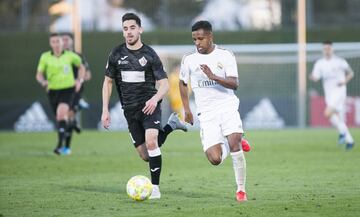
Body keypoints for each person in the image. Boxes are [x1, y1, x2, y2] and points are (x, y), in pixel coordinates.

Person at [101, 13, 187, 199]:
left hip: (150, 106)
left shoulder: (149, 54)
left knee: (151, 141)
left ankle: (155, 188)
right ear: (123, 32)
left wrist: (155, 99)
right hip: (129, 110)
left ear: (140, 29)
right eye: (125, 29)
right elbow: (107, 82)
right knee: (146, 155)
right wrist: (105, 109)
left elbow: (164, 84)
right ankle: (171, 126)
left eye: (132, 28)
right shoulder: (116, 54)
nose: (129, 32)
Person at [179, 20, 249, 202]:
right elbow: (182, 83)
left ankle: (241, 190)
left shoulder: (225, 56)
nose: (197, 43)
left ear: (210, 37)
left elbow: (235, 84)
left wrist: (213, 76)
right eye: (194, 39)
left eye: (200, 39)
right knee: (215, 159)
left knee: (234, 144)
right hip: (206, 113)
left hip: (227, 106)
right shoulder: (189, 59)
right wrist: (187, 109)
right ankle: (237, 140)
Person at [36, 33, 85, 155]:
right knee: (60, 118)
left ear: (62, 43)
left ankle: (59, 145)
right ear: (50, 43)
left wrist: (79, 80)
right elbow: (39, 74)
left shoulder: (70, 56)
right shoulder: (45, 57)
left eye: (58, 41)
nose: (56, 44)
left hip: (68, 90)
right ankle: (72, 123)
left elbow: (81, 67)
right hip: (53, 91)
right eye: (54, 42)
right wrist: (43, 82)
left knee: (61, 113)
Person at [310, 40, 355, 150]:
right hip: (329, 94)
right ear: (322, 50)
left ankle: (343, 134)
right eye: (325, 49)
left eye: (329, 48)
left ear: (332, 49)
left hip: (339, 91)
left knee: (327, 113)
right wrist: (312, 77)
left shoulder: (340, 61)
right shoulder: (319, 63)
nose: (327, 51)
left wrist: (344, 81)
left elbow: (351, 73)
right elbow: (316, 77)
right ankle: (350, 141)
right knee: (336, 118)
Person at [60, 32, 92, 155]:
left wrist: (79, 80)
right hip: (61, 91)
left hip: (75, 92)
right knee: (67, 119)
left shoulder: (78, 56)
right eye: (62, 40)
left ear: (72, 41)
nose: (65, 42)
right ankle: (75, 120)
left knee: (67, 116)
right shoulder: (58, 58)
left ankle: (66, 148)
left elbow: (88, 75)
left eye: (67, 39)